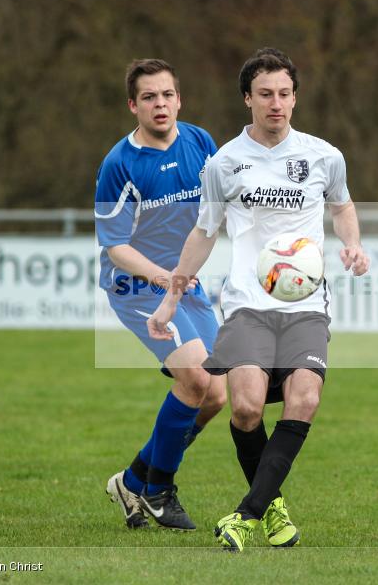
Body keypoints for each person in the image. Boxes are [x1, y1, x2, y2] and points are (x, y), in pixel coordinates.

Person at [148, 48, 370, 551]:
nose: (277, 104)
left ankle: (246, 515)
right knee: (246, 410)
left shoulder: (323, 155)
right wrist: (170, 300)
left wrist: (353, 243)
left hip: (306, 305)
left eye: (285, 94)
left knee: (305, 399)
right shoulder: (224, 162)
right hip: (248, 303)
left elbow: (343, 206)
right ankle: (271, 510)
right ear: (248, 98)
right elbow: (204, 233)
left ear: (296, 98)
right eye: (266, 94)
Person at [96, 59, 227, 531]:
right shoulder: (120, 164)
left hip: (184, 284)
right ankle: (158, 491)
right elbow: (114, 246)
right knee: (194, 378)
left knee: (215, 395)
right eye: (149, 97)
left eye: (167, 94)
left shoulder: (200, 143)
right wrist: (164, 279)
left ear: (179, 99)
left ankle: (133, 479)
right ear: (133, 105)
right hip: (136, 287)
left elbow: (218, 209)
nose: (160, 104)